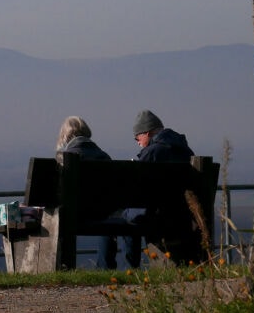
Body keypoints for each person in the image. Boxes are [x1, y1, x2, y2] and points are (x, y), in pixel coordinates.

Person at [123, 109, 196, 267]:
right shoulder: (186, 150)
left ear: (147, 133)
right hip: (186, 215)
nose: (137, 142)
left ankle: (132, 268)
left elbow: (139, 193)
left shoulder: (152, 153)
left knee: (127, 216)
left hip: (158, 215)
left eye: (137, 138)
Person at [54, 116, 117, 270]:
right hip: (104, 214)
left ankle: (62, 266)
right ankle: (105, 268)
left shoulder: (65, 159)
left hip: (74, 215)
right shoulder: (105, 157)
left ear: (65, 136)